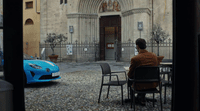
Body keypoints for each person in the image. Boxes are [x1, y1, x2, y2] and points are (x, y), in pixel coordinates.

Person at [127, 38, 159, 105]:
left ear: (137, 46)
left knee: (130, 80)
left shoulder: (135, 58)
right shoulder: (154, 56)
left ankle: (133, 99)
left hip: (139, 85)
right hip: (153, 84)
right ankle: (142, 97)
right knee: (145, 77)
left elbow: (130, 74)